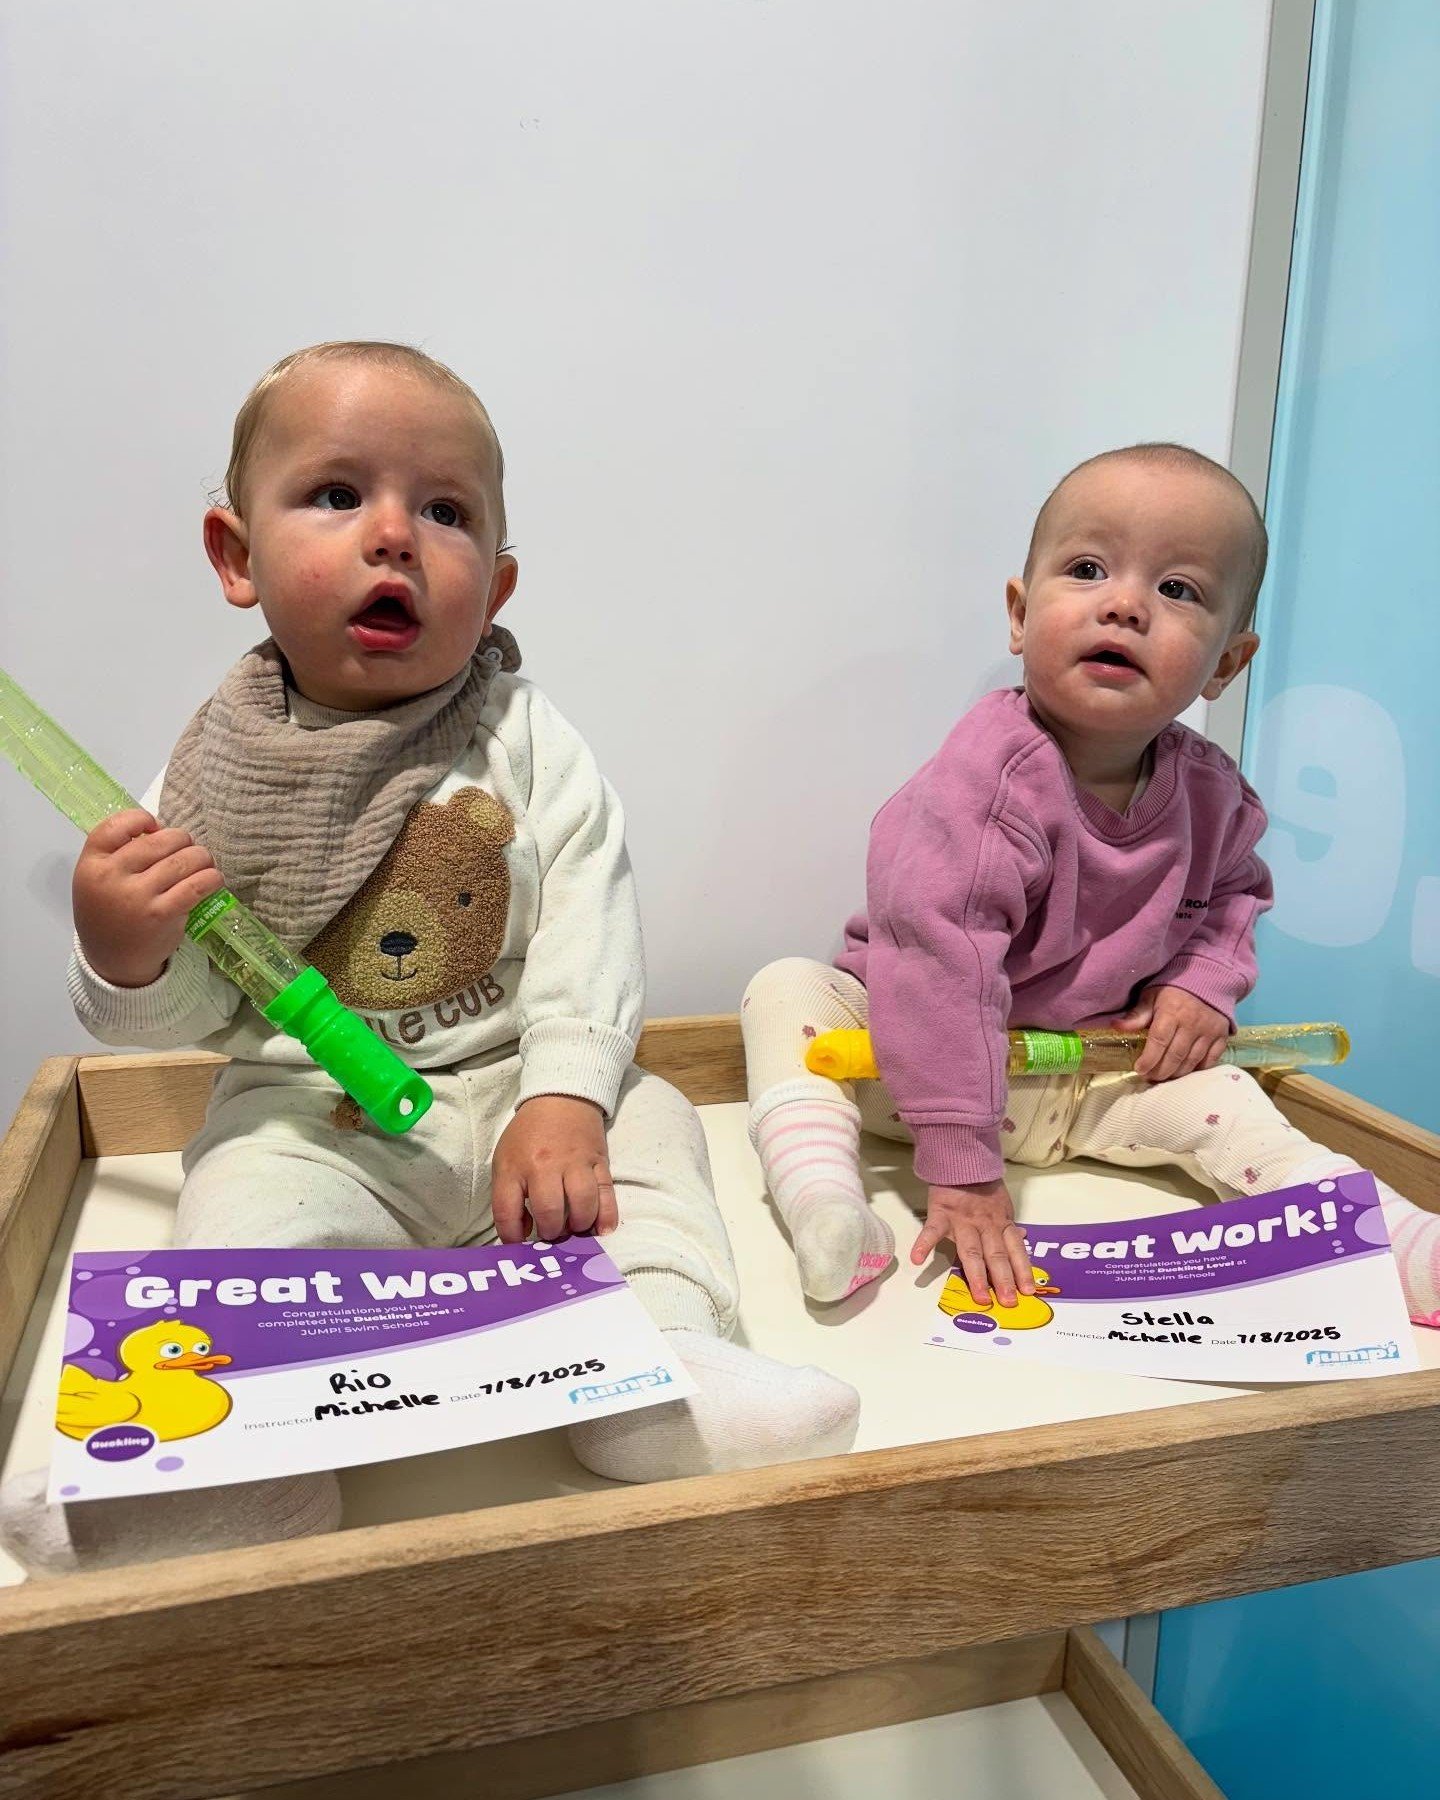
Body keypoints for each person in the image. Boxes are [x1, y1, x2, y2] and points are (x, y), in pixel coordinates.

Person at [1, 341, 858, 1574]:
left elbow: (589, 915)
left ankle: (660, 1374)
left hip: (524, 1091)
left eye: (445, 510)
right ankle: (247, 1452)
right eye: (338, 494)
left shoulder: (523, 738)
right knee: (246, 1196)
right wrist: (123, 951)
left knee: (655, 1129)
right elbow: (175, 1019)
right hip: (318, 1113)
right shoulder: (213, 778)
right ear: (236, 556)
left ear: (497, 586)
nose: (395, 534)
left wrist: (567, 1092)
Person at [742, 443, 1440, 1328]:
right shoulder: (985, 784)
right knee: (786, 992)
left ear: (1227, 664)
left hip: (1092, 1078)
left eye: (1178, 590)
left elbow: (1235, 893)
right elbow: (937, 969)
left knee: (1231, 1100)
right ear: (1020, 615)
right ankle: (823, 1199)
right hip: (916, 1080)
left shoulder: (1214, 792)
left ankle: (1389, 1238)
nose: (1124, 602)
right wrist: (963, 1166)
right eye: (1086, 569)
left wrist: (1202, 982)